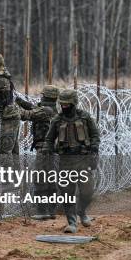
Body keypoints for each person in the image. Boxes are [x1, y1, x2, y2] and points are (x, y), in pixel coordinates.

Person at [41, 89, 100, 233]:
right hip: (65, 161)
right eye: (62, 104)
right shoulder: (57, 120)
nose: (64, 107)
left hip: (83, 160)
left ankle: (82, 212)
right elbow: (49, 139)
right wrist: (47, 148)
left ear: (74, 103)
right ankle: (72, 222)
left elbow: (95, 134)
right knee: (67, 193)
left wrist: (94, 147)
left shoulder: (85, 117)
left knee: (87, 192)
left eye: (67, 104)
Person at [16, 85, 59, 220]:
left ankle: (42, 211)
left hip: (44, 150)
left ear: (45, 96)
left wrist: (11, 108)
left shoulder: (45, 111)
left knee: (40, 179)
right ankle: (51, 210)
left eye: (43, 95)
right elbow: (34, 108)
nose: (41, 97)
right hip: (50, 150)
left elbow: (26, 115)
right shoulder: (51, 109)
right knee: (50, 179)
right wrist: (20, 101)